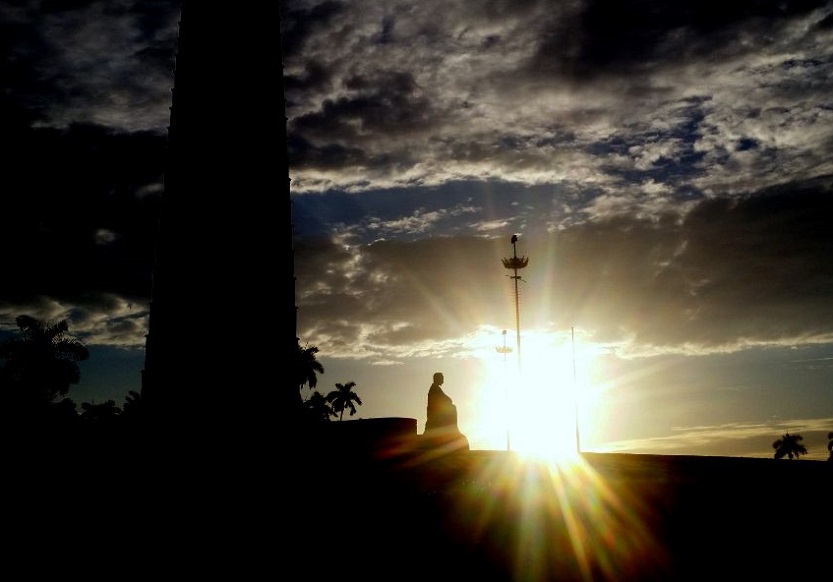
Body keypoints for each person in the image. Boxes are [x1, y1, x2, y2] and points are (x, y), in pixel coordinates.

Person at [422, 372, 469, 451]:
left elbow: (446, 399)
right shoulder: (435, 389)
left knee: (452, 407)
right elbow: (447, 399)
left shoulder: (436, 388)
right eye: (442, 378)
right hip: (435, 416)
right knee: (452, 408)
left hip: (436, 414)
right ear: (438, 379)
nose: (443, 380)